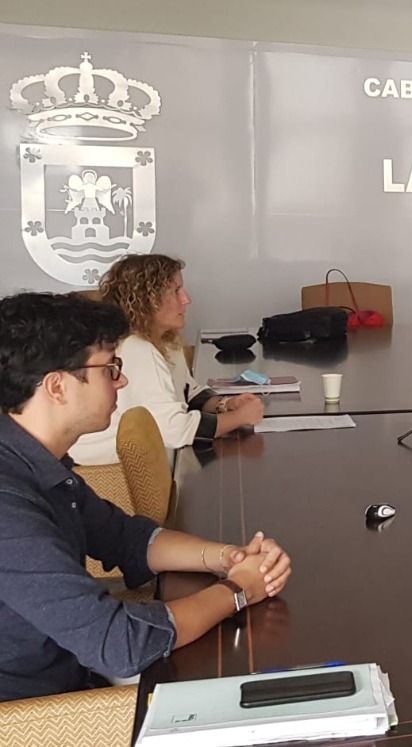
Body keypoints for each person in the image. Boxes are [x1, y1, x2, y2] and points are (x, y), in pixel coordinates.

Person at [0, 292, 291, 703]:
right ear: (57, 387)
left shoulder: (32, 461)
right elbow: (120, 643)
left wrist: (228, 557)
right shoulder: (8, 506)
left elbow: (125, 538)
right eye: (109, 368)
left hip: (69, 668)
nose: (121, 381)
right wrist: (238, 591)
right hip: (38, 710)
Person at [71, 255, 264, 466]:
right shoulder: (137, 349)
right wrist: (239, 418)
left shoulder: (167, 342)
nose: (186, 299)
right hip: (112, 469)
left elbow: (189, 393)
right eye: (175, 291)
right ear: (147, 301)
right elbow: (173, 430)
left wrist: (225, 404)